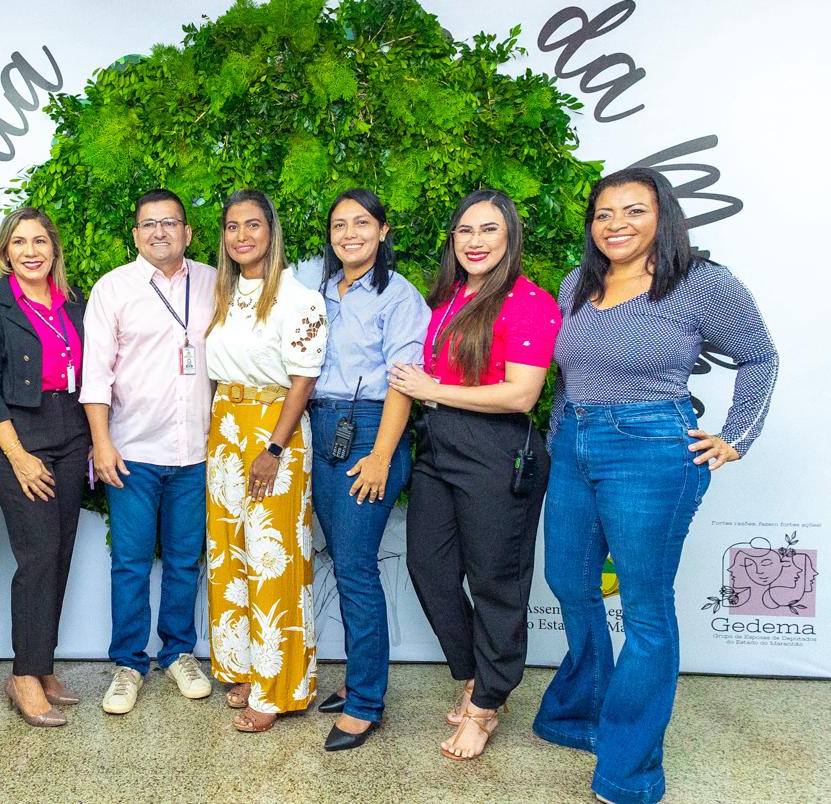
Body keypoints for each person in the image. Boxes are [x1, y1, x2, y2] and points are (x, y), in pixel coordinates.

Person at [530, 167, 778, 803]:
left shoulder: (700, 282)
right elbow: (567, 377)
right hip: (577, 444)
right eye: (604, 213)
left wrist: (737, 434)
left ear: (663, 216)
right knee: (569, 582)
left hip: (650, 449)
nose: (616, 224)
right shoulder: (576, 285)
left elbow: (760, 356)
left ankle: (630, 770)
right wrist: (562, 442)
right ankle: (583, 713)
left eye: (633, 211)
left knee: (644, 607)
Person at [390, 189, 560, 760]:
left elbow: (522, 393)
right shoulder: (451, 297)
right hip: (439, 443)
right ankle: (475, 674)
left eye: (488, 230)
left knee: (495, 581)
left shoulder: (528, 300)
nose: (476, 241)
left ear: (509, 235)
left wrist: (433, 389)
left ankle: (486, 703)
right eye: (465, 231)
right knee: (428, 567)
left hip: (497, 450)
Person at [80, 189, 216, 714]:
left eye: (170, 222)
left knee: (185, 560)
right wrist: (102, 442)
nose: (160, 231)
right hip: (133, 451)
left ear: (187, 232)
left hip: (199, 452)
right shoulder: (113, 289)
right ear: (136, 234)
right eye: (149, 224)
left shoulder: (212, 281)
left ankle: (179, 652)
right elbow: (96, 375)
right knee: (132, 564)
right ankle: (128, 663)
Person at [309, 189, 428, 751]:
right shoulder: (326, 291)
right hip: (322, 425)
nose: (349, 233)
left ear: (383, 231)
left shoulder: (399, 297)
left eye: (361, 223)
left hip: (371, 430)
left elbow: (404, 380)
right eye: (339, 225)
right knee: (343, 560)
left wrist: (380, 456)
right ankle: (359, 681)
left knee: (356, 567)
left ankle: (365, 704)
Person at [204, 189, 327, 733]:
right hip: (224, 422)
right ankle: (246, 667)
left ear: (272, 233)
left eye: (253, 226)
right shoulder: (222, 293)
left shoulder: (299, 298)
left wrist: (274, 448)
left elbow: (304, 379)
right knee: (229, 553)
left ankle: (279, 688)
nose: (242, 236)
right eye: (233, 227)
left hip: (272, 427)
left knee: (272, 557)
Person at [0, 206, 90, 728]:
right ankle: (22, 676)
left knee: (59, 555)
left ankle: (42, 666)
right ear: (4, 252)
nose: (31, 250)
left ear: (53, 249)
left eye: (40, 241)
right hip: (20, 433)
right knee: (37, 555)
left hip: (72, 429)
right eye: (19, 242)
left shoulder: (74, 304)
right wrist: (18, 457)